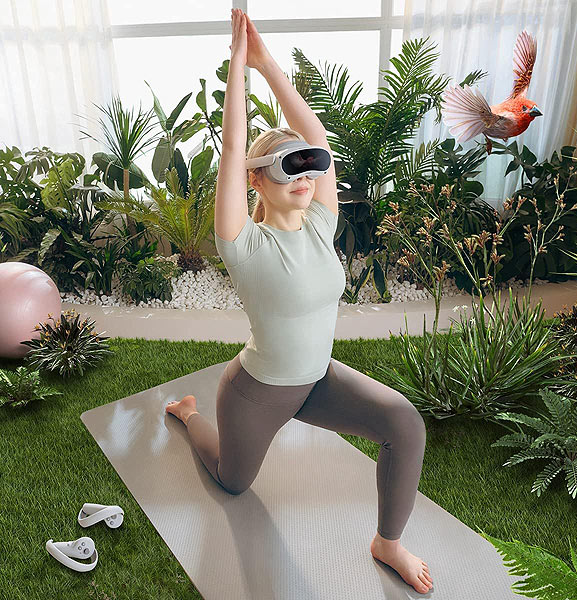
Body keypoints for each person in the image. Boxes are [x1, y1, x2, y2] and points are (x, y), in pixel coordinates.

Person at [166, 8, 433, 594]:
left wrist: (267, 64)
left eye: (310, 169)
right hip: (256, 394)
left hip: (317, 380)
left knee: (404, 424)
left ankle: (386, 542)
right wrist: (238, 69)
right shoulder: (243, 242)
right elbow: (234, 147)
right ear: (257, 182)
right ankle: (188, 415)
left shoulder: (320, 223)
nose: (306, 176)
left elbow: (317, 139)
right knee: (232, 482)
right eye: (290, 170)